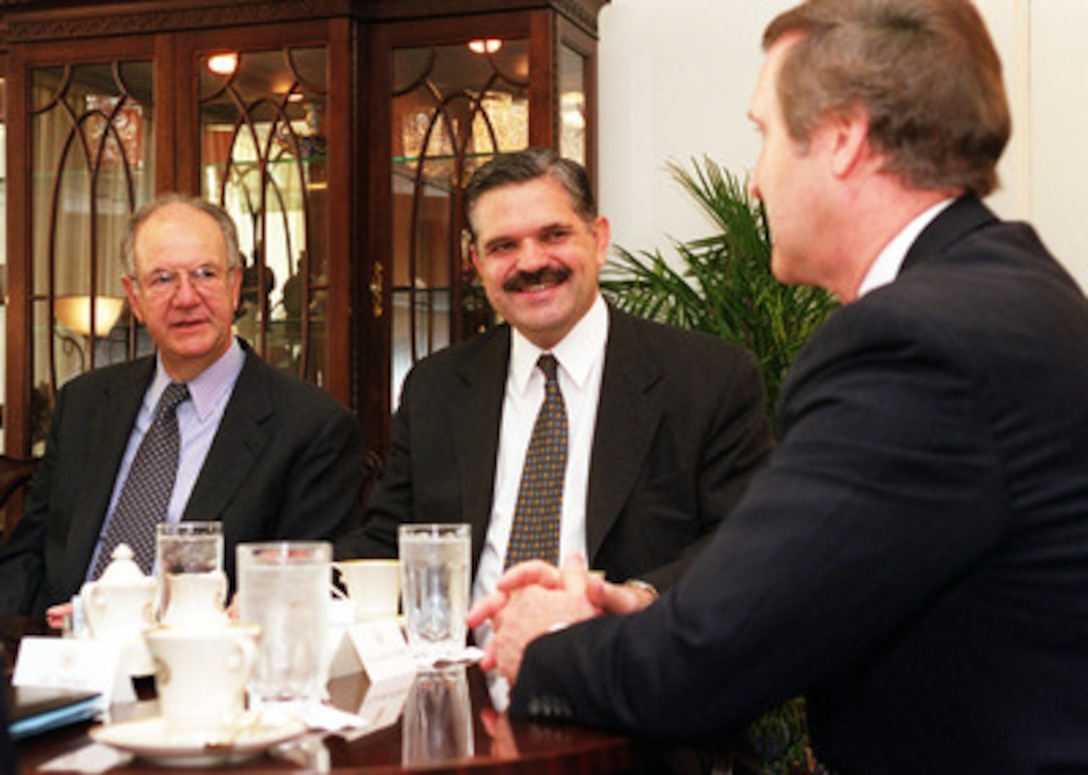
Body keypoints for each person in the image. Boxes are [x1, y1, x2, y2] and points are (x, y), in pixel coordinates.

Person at [468, 1, 1088, 772]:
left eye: (764, 135)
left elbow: (705, 665)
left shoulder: (912, 344)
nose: (755, 183)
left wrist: (545, 646)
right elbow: (797, 598)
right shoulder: (1008, 288)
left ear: (841, 138)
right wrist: (649, 615)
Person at [341, 147, 772, 615]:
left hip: (624, 668)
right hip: (469, 673)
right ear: (477, 263)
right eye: (503, 246)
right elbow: (388, 542)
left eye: (554, 235)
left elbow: (741, 538)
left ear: (599, 239)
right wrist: (289, 597)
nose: (531, 262)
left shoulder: (707, 378)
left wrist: (636, 597)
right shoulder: (436, 388)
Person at [0, 194, 364, 618]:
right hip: (68, 658)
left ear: (234, 286)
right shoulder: (85, 404)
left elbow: (302, 591)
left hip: (209, 667)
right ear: (133, 297)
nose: (186, 297)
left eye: (205, 274)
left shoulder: (311, 427)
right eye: (162, 279)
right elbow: (25, 560)